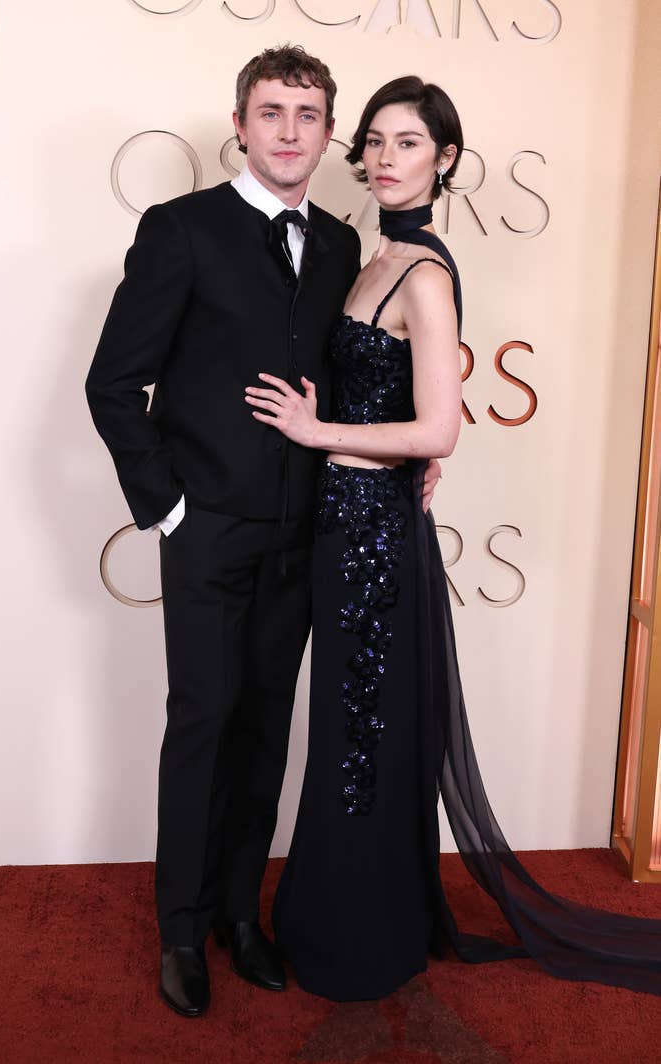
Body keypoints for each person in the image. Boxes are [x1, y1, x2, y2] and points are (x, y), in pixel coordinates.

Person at [245, 76, 661, 1002]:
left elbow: (439, 429)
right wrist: (348, 430)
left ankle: (364, 939)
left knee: (364, 733)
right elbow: (390, 403)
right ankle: (344, 915)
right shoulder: (374, 256)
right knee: (350, 732)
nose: (386, 158)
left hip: (375, 541)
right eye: (375, 141)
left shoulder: (425, 275)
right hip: (346, 525)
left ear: (446, 160)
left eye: (408, 143)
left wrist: (317, 432)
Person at [86, 45, 442, 1018]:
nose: (289, 131)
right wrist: (168, 506)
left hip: (304, 534)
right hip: (205, 530)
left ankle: (241, 915)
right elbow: (113, 382)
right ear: (240, 125)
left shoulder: (338, 248)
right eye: (272, 112)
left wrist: (417, 448)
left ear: (327, 137)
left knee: (267, 727)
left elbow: (367, 377)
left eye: (308, 115)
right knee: (202, 720)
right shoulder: (181, 229)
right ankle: (180, 928)